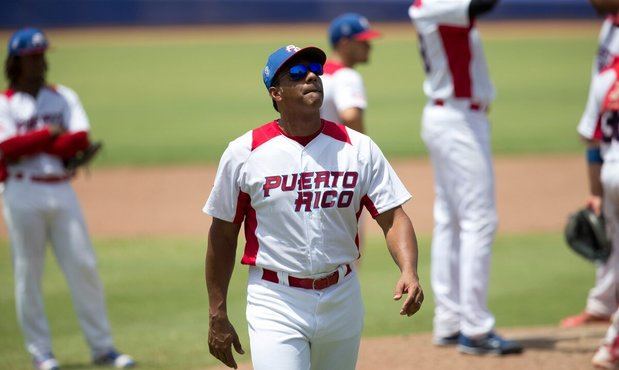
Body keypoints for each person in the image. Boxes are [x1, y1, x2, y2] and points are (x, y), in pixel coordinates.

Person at [204, 44, 424, 370]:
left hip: (342, 296)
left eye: (315, 71)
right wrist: (217, 312)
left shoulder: (357, 148)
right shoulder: (244, 153)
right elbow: (222, 234)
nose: (311, 77)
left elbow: (393, 217)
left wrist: (409, 269)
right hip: (275, 299)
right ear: (276, 93)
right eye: (297, 73)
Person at [0, 28, 135, 370]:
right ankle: (40, 351)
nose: (42, 62)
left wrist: (33, 142)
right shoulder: (4, 103)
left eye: (43, 55)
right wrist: (48, 134)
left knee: (83, 266)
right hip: (21, 190)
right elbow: (6, 149)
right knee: (28, 272)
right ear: (17, 62)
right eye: (34, 57)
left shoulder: (63, 96)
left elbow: (78, 140)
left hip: (61, 188)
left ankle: (103, 348)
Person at [409, 0, 522, 355]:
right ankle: (474, 328)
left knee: (452, 219)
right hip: (457, 121)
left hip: (454, 118)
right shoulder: (434, 4)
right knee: (478, 220)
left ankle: (451, 320)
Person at [561, 0, 619, 329]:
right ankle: (603, 304)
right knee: (610, 227)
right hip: (609, 143)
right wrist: (594, 189)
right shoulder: (609, 25)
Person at [576, 53, 619, 369]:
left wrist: (595, 191)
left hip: (610, 174)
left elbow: (590, 138)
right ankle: (613, 343)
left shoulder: (605, 77)